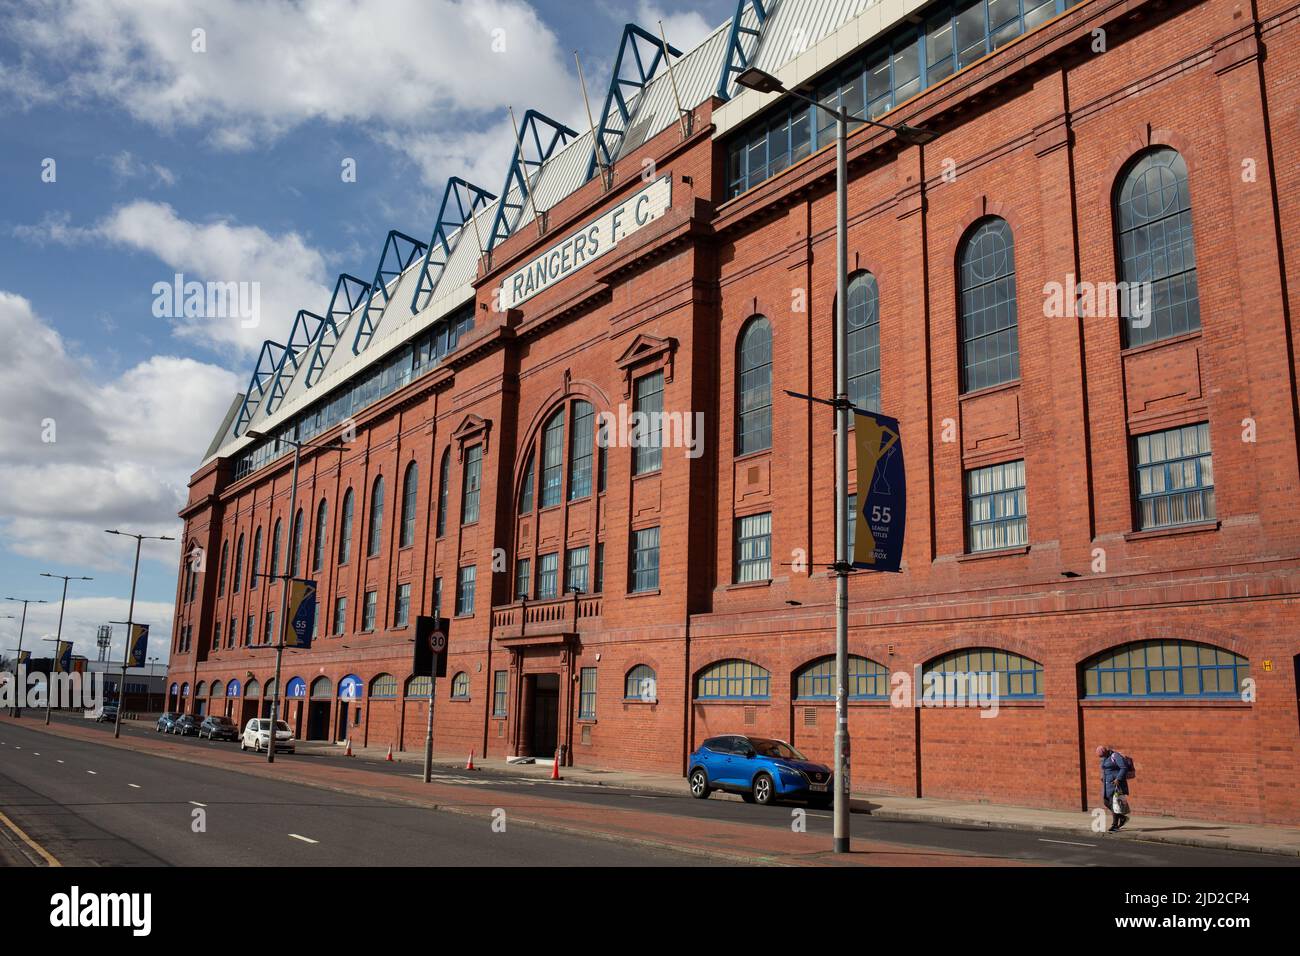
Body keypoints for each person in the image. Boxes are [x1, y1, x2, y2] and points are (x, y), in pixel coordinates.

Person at [1097, 745, 1129, 832]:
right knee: (1106, 802)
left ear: (1106, 752)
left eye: (1102, 755)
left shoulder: (1115, 756)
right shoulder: (1105, 757)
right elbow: (1104, 769)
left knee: (1113, 804)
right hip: (1106, 784)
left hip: (1114, 784)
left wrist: (1118, 778)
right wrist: (1102, 776)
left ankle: (1115, 825)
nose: (1102, 757)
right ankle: (1122, 818)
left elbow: (1124, 767)